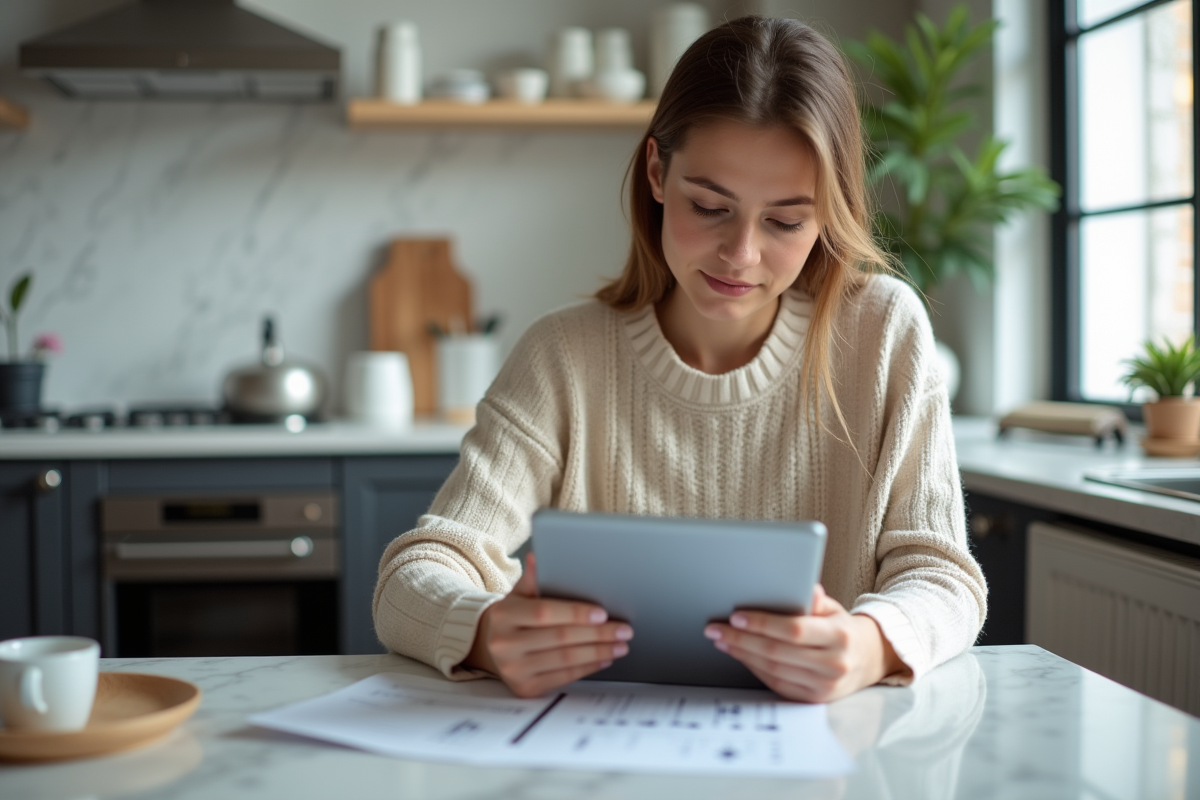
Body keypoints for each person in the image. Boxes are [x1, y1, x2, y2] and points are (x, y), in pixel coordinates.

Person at [373, 15, 987, 703]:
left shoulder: (883, 333)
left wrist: (868, 647)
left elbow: (943, 578)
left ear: (828, 214)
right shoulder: (564, 357)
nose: (741, 254)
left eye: (785, 220)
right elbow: (416, 572)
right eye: (710, 206)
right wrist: (486, 630)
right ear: (658, 172)